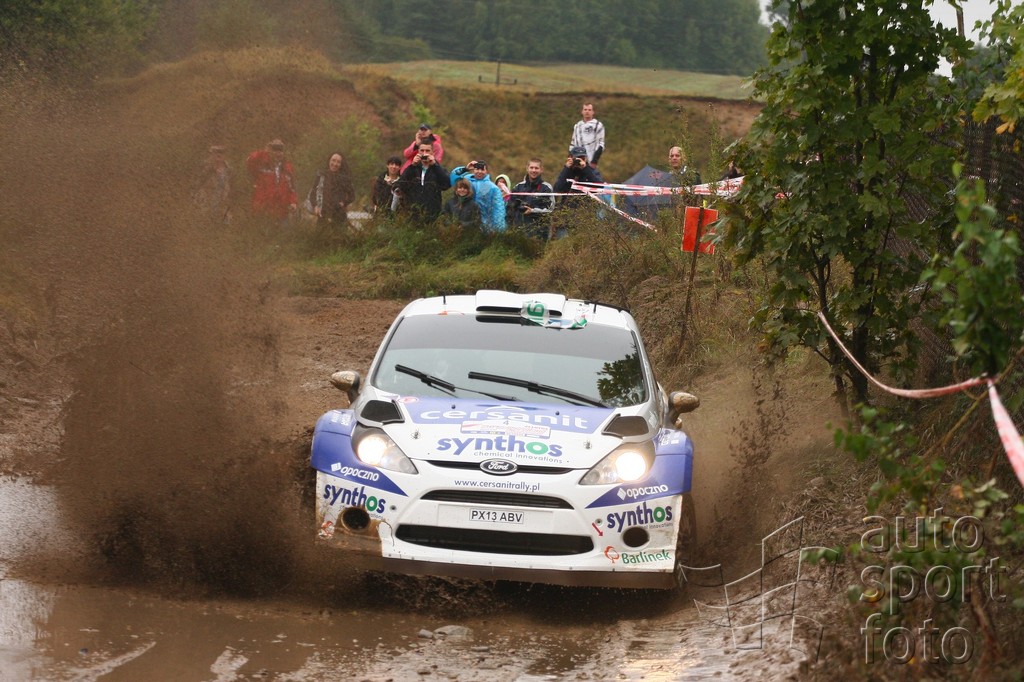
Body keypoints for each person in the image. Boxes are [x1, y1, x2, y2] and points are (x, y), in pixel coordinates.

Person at [552, 146, 604, 239]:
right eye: (577, 158)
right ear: (570, 157)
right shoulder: (567, 171)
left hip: (586, 215)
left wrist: (585, 168)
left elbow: (600, 186)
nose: (579, 161)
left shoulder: (591, 171)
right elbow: (557, 188)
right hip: (566, 216)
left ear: (586, 158)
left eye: (582, 158)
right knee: (564, 245)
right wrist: (566, 168)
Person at [246, 139, 298, 229]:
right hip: (262, 212)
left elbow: (292, 189)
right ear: (270, 152)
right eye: (275, 151)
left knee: (285, 235)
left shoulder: (287, 168)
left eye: (280, 151)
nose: (278, 154)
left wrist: (293, 202)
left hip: (282, 213)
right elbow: (250, 160)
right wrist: (263, 152)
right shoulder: (261, 165)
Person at [397, 141, 451, 223]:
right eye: (422, 150)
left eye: (427, 151)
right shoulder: (412, 169)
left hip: (432, 216)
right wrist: (412, 166)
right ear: (418, 152)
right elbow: (401, 184)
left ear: (433, 152)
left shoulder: (438, 169)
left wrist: (435, 166)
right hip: (412, 214)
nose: (424, 153)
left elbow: (447, 184)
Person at [449, 159, 506, 233]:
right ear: (473, 170)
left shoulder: (493, 188)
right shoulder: (466, 181)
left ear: (486, 171)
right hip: (464, 223)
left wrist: (499, 229)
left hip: (485, 226)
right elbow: (452, 178)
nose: (479, 171)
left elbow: (498, 209)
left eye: (482, 169)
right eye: (477, 169)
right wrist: (465, 169)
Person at [508, 158, 555, 240]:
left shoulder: (546, 187)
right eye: (531, 167)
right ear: (527, 168)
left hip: (539, 231)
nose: (533, 170)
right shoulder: (518, 186)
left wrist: (533, 210)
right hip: (519, 229)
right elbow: (510, 207)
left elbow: (550, 209)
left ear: (541, 170)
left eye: (536, 168)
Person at [307, 151, 355, 228]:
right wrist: (315, 206)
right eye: (333, 160)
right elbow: (313, 194)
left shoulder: (344, 178)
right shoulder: (321, 176)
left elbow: (352, 196)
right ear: (329, 161)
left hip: (339, 216)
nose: (335, 164)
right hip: (323, 216)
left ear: (341, 164)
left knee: (339, 235)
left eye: (338, 162)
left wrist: (344, 203)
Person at [192, 144, 233, 225]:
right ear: (211, 154)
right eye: (216, 152)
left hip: (222, 200)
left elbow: (231, 186)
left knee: (224, 223)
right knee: (204, 222)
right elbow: (197, 183)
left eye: (221, 152)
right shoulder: (204, 167)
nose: (219, 155)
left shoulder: (228, 169)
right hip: (206, 199)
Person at [570, 102, 606, 168]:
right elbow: (572, 144)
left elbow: (601, 144)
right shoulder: (577, 126)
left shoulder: (598, 125)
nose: (587, 112)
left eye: (589, 110)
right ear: (582, 111)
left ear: (593, 112)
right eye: (585, 109)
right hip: (577, 161)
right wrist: (570, 158)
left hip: (590, 161)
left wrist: (594, 161)